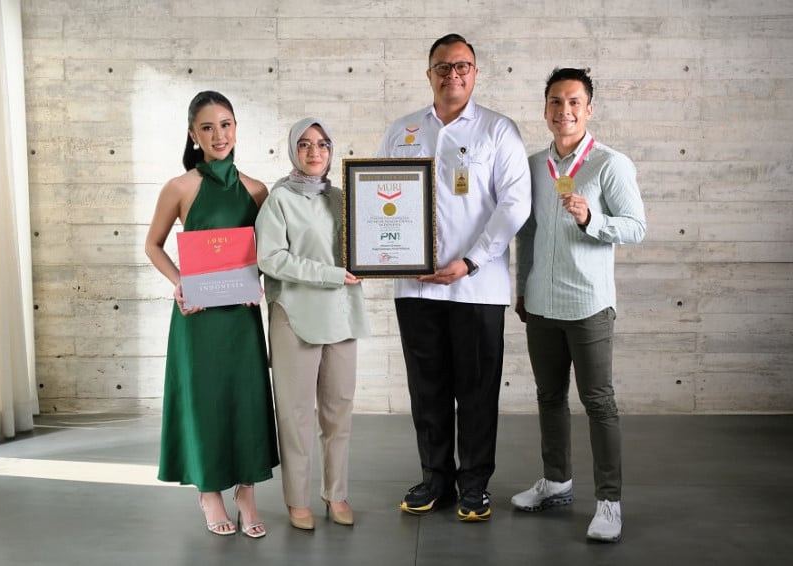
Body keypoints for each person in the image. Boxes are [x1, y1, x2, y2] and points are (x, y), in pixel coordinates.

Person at [377, 33, 531, 522]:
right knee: (427, 390)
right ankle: (435, 479)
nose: (453, 74)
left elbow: (515, 204)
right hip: (415, 286)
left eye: (462, 66)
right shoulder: (402, 131)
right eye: (443, 67)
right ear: (429, 74)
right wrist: (388, 255)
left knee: (478, 390)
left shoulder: (497, 130)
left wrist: (471, 261)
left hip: (477, 287)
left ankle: (475, 484)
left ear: (475, 73)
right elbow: (378, 199)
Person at [511, 67, 647, 542]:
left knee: (598, 402)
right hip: (541, 303)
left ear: (589, 109)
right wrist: (522, 288)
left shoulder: (610, 164)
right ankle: (556, 481)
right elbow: (527, 232)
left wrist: (593, 218)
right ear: (545, 108)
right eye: (555, 101)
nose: (564, 110)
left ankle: (609, 501)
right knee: (548, 397)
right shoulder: (533, 166)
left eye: (573, 102)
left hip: (588, 304)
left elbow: (636, 227)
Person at [145, 91, 279, 538]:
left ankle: (247, 493)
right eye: (207, 127)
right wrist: (179, 282)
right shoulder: (179, 188)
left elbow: (266, 251)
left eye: (225, 124)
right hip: (198, 316)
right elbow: (153, 245)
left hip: (240, 315)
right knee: (204, 401)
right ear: (193, 135)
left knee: (246, 398)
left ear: (236, 128)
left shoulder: (257, 190)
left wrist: (257, 280)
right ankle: (209, 492)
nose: (218, 135)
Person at [255, 117, 369, 531]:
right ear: (293, 150)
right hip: (295, 317)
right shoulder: (279, 200)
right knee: (296, 414)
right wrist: (332, 274)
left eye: (322, 144)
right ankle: (297, 500)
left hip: (341, 314)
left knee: (339, 411)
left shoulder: (344, 197)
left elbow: (371, 242)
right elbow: (271, 259)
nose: (315, 151)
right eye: (304, 144)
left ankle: (336, 493)